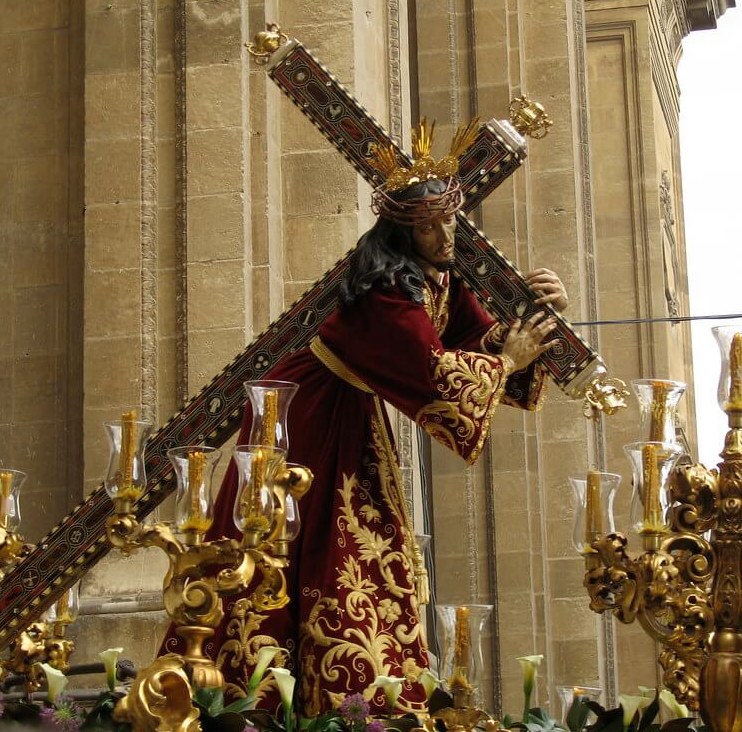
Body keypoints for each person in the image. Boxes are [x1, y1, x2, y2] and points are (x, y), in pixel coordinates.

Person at [162, 121, 568, 716]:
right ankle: (296, 702)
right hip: (307, 421)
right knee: (320, 550)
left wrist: (539, 314)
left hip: (353, 418)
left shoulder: (437, 280)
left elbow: (475, 338)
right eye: (427, 226)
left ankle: (358, 701)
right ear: (402, 232)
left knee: (356, 552)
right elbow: (429, 370)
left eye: (448, 220)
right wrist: (508, 360)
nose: (442, 234)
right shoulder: (380, 290)